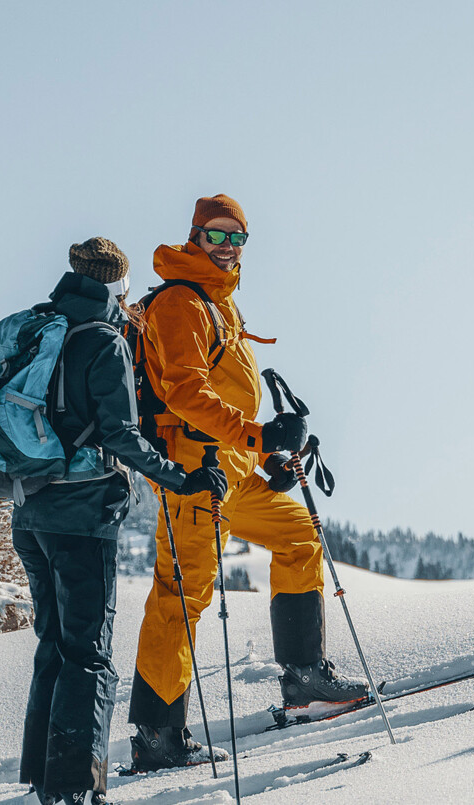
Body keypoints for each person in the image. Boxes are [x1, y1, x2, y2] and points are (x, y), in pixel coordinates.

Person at [125, 194, 368, 771]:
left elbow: (226, 398)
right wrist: (259, 436)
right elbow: (187, 393)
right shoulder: (181, 302)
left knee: (301, 537)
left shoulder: (218, 303)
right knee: (180, 598)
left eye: (238, 237)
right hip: (194, 477)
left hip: (233, 474)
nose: (228, 246)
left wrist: (265, 461)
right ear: (195, 236)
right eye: (217, 234)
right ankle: (158, 737)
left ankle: (305, 681)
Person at [12, 238, 228, 804]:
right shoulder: (103, 340)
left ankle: (43, 779)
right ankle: (76, 789)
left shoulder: (41, 327)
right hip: (82, 513)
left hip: (29, 509)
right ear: (116, 284)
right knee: (89, 652)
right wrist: (181, 479)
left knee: (54, 646)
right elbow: (119, 435)